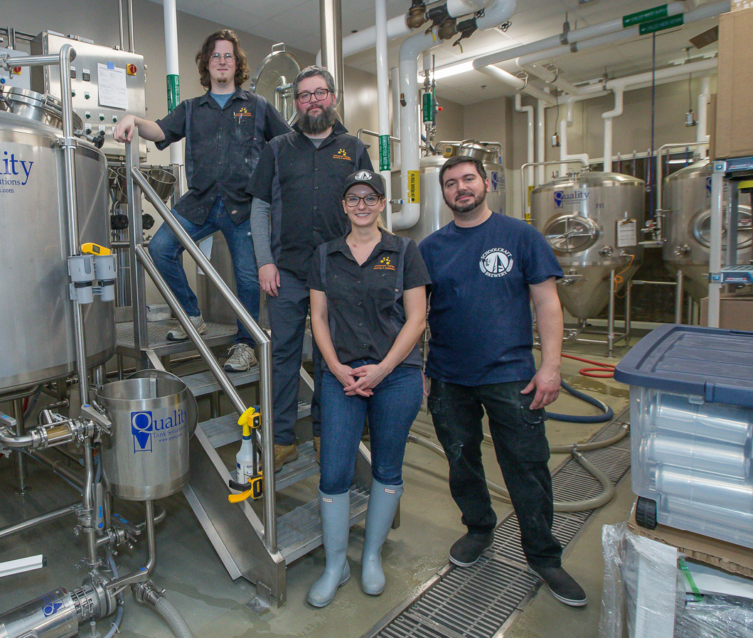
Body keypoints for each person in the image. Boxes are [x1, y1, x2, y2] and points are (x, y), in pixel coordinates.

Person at [418, 155, 587, 607]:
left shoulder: (521, 236)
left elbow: (547, 303)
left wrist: (551, 366)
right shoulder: (430, 248)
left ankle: (544, 556)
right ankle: (479, 528)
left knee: (527, 465)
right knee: (461, 459)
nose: (461, 188)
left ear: (486, 183)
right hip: (450, 375)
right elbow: (418, 316)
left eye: (468, 179)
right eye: (451, 183)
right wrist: (424, 372)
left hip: (511, 374)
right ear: (444, 193)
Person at [113, 29, 290, 372]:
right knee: (161, 247)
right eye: (216, 56)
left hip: (243, 205)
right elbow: (161, 131)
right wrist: (132, 118)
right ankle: (192, 315)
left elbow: (287, 144)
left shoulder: (257, 106)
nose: (222, 61)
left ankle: (245, 344)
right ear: (206, 65)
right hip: (201, 202)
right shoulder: (192, 109)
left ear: (236, 64)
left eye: (228, 56)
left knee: (248, 279)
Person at [305, 170, 429, 607]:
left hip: (395, 376)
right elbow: (318, 318)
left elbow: (416, 318)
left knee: (387, 467)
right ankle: (335, 564)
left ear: (382, 203)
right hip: (341, 376)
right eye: (353, 197)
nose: (361, 204)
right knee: (334, 471)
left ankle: (371, 556)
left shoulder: (405, 252)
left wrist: (382, 369)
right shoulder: (324, 255)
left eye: (370, 197)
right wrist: (338, 369)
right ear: (344, 205)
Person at [247, 65, 373, 471]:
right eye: (304, 95)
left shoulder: (352, 148)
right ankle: (282, 438)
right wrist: (264, 261)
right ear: (296, 102)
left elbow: (367, 208)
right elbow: (260, 207)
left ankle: (324, 432)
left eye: (320, 93)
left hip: (337, 272)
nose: (313, 101)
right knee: (282, 354)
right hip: (286, 271)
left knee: (331, 356)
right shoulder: (278, 148)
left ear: (333, 98)